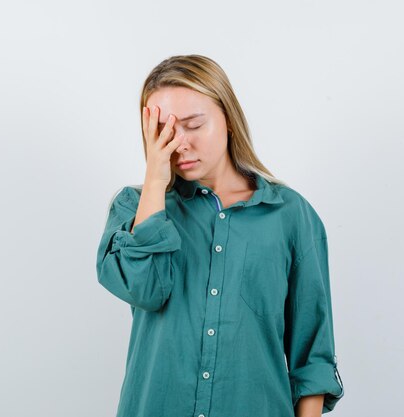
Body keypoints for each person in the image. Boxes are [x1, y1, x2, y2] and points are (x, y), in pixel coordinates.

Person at [95, 54, 345, 417]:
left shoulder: (291, 216)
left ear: (228, 121)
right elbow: (143, 290)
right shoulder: (135, 208)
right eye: (162, 131)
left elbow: (312, 355)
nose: (179, 143)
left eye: (194, 124)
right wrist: (155, 181)